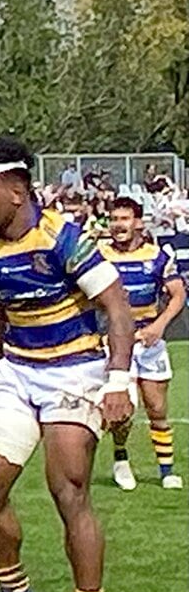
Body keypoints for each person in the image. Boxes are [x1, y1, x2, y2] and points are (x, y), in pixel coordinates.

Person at [0, 137, 134, 592]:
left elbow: (117, 307)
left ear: (17, 192)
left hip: (75, 370)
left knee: (69, 489)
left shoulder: (64, 239)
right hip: (18, 371)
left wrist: (118, 381)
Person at [102, 196, 183, 490]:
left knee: (157, 407)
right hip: (115, 343)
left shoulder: (157, 256)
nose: (118, 225)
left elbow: (178, 294)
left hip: (148, 342)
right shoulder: (99, 255)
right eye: (113, 219)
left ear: (138, 222)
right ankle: (121, 458)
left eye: (124, 219)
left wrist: (159, 326)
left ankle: (167, 471)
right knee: (122, 409)